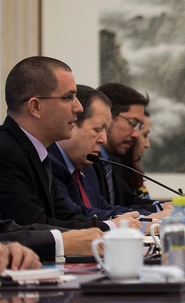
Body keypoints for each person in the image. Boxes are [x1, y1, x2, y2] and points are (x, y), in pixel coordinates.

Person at [0, 57, 114, 231]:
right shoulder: (5, 152)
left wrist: (116, 226)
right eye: (69, 97)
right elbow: (32, 225)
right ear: (36, 107)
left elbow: (63, 215)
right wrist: (112, 228)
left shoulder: (36, 151)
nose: (79, 108)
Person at [49, 85, 147, 224]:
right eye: (97, 129)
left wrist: (148, 218)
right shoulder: (49, 163)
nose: (103, 140)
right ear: (71, 123)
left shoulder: (86, 167)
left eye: (105, 130)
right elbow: (72, 214)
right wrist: (127, 223)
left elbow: (103, 207)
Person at [93, 83, 163, 212]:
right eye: (133, 123)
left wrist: (167, 207)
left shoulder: (112, 160)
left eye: (139, 127)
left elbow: (127, 202)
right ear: (107, 116)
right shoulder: (87, 160)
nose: (136, 135)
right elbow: (95, 212)